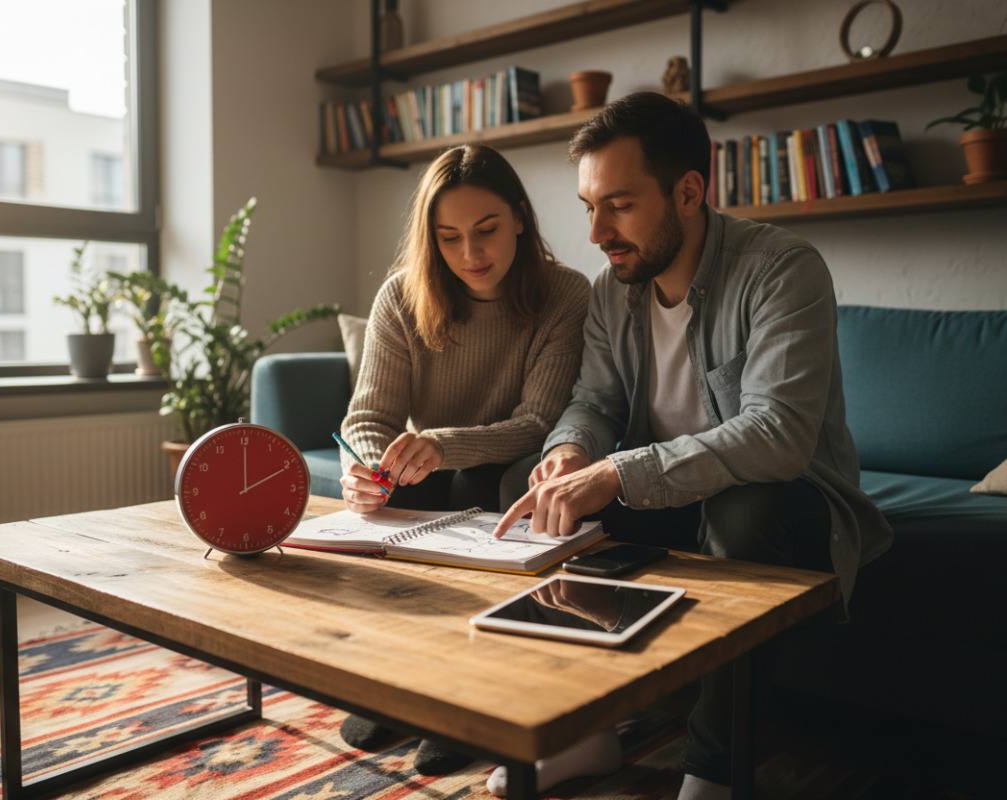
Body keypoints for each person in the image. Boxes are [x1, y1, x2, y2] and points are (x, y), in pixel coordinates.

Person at [490, 93, 893, 799]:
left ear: (688, 191)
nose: (596, 232)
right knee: (530, 489)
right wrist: (570, 453)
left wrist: (617, 472)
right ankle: (583, 734)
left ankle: (712, 770)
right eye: (588, 206)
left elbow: (778, 437)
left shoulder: (782, 270)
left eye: (618, 204)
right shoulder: (613, 290)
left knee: (746, 515)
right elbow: (593, 402)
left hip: (787, 503)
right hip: (669, 496)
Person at [336, 143, 591, 775]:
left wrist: (442, 445)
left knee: (474, 479)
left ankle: (470, 696)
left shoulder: (565, 292)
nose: (471, 255)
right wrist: (370, 471)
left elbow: (539, 420)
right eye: (449, 238)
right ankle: (402, 679)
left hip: (510, 462)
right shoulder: (401, 297)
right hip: (436, 465)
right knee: (406, 484)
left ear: (521, 218)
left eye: (487, 231)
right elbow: (369, 418)